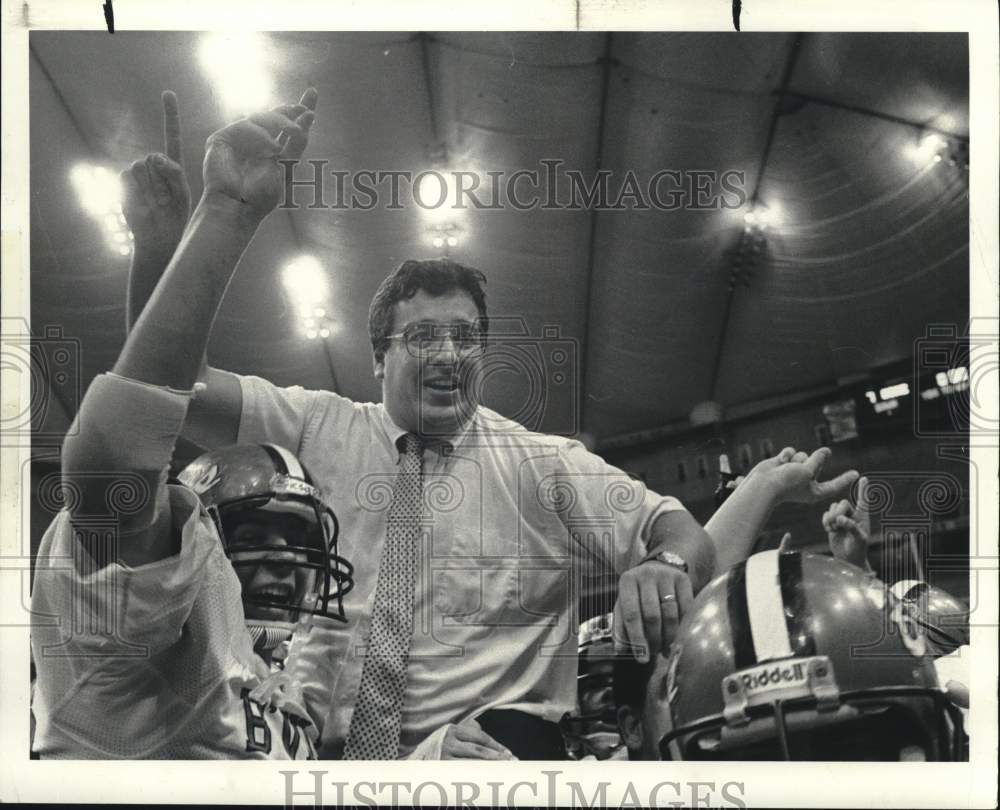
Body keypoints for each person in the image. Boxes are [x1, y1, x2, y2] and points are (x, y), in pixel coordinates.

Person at [116, 89, 857, 759]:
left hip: (492, 764)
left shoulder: (542, 465)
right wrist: (162, 245)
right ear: (378, 357)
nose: (447, 353)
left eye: (465, 337)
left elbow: (678, 532)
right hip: (331, 766)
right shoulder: (318, 426)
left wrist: (663, 565)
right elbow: (166, 388)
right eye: (423, 336)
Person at [30, 393, 354, 757]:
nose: (286, 558)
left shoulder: (282, 686)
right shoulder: (138, 666)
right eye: (251, 536)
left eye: (301, 541)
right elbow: (114, 459)